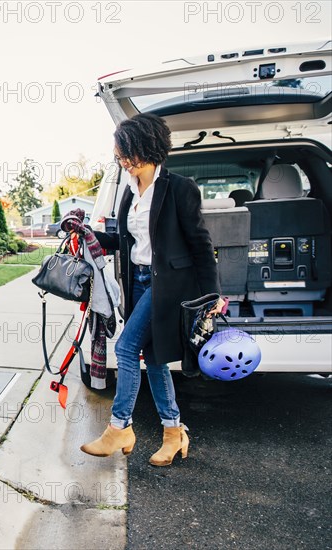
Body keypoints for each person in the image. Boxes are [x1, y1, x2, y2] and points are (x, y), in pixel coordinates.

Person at [79, 113, 225, 466]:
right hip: (139, 282)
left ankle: (119, 428)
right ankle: (174, 433)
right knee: (155, 359)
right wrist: (89, 235)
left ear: (141, 148)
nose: (121, 161)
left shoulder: (179, 189)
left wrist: (213, 294)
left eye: (123, 154)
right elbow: (126, 241)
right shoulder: (129, 194)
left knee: (127, 348)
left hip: (169, 286)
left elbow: (201, 245)